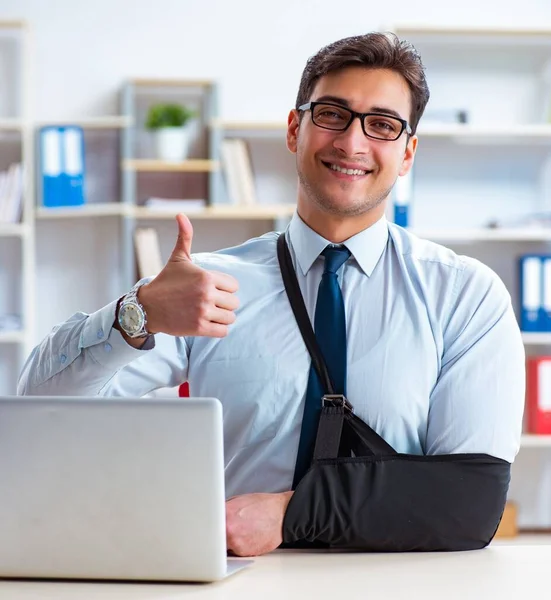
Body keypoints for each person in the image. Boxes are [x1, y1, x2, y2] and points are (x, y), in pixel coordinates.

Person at [18, 32, 525, 557]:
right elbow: (38, 412)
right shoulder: (207, 286)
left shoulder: (463, 296)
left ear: (408, 152)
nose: (352, 143)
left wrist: (293, 513)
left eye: (382, 124)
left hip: (400, 582)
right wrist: (137, 314)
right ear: (294, 128)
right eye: (332, 114)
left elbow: (472, 498)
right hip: (237, 582)